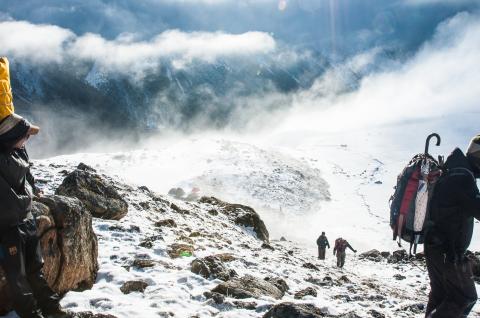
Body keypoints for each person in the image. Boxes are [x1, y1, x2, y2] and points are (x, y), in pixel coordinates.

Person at [0, 113, 65, 318]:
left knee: (30, 272)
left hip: (24, 220)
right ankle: (36, 313)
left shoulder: (19, 153)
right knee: (20, 276)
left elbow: (27, 176)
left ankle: (50, 309)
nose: (28, 140)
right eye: (25, 136)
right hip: (8, 227)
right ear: (11, 137)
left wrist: (34, 189)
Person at [424, 135, 480, 318]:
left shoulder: (453, 169)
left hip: (436, 245)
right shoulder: (462, 176)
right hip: (449, 251)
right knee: (464, 297)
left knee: (441, 296)